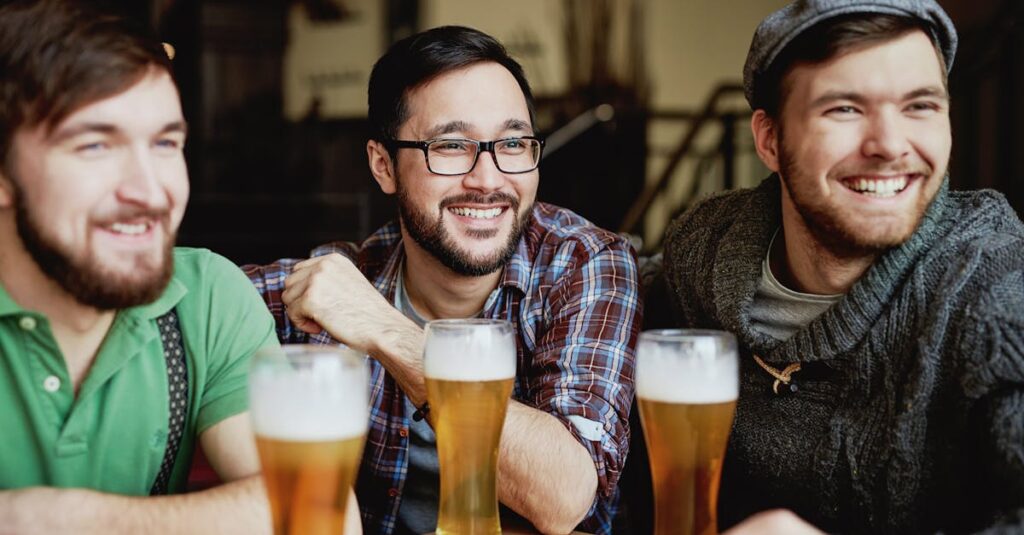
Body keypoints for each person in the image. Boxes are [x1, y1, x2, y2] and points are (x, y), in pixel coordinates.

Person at [245, 25, 641, 535]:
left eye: (514, 143)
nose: (489, 179)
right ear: (383, 165)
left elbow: (563, 495)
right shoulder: (344, 281)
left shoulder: (583, 264)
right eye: (452, 145)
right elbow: (193, 293)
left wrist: (386, 332)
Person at [663, 0, 1024, 533]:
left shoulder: (992, 286)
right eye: (844, 109)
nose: (889, 145)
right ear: (769, 139)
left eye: (920, 106)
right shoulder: (704, 250)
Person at [0, 1, 305, 532]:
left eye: (166, 143)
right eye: (95, 144)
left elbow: (315, 514)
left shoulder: (206, 294)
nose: (150, 191)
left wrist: (56, 518)